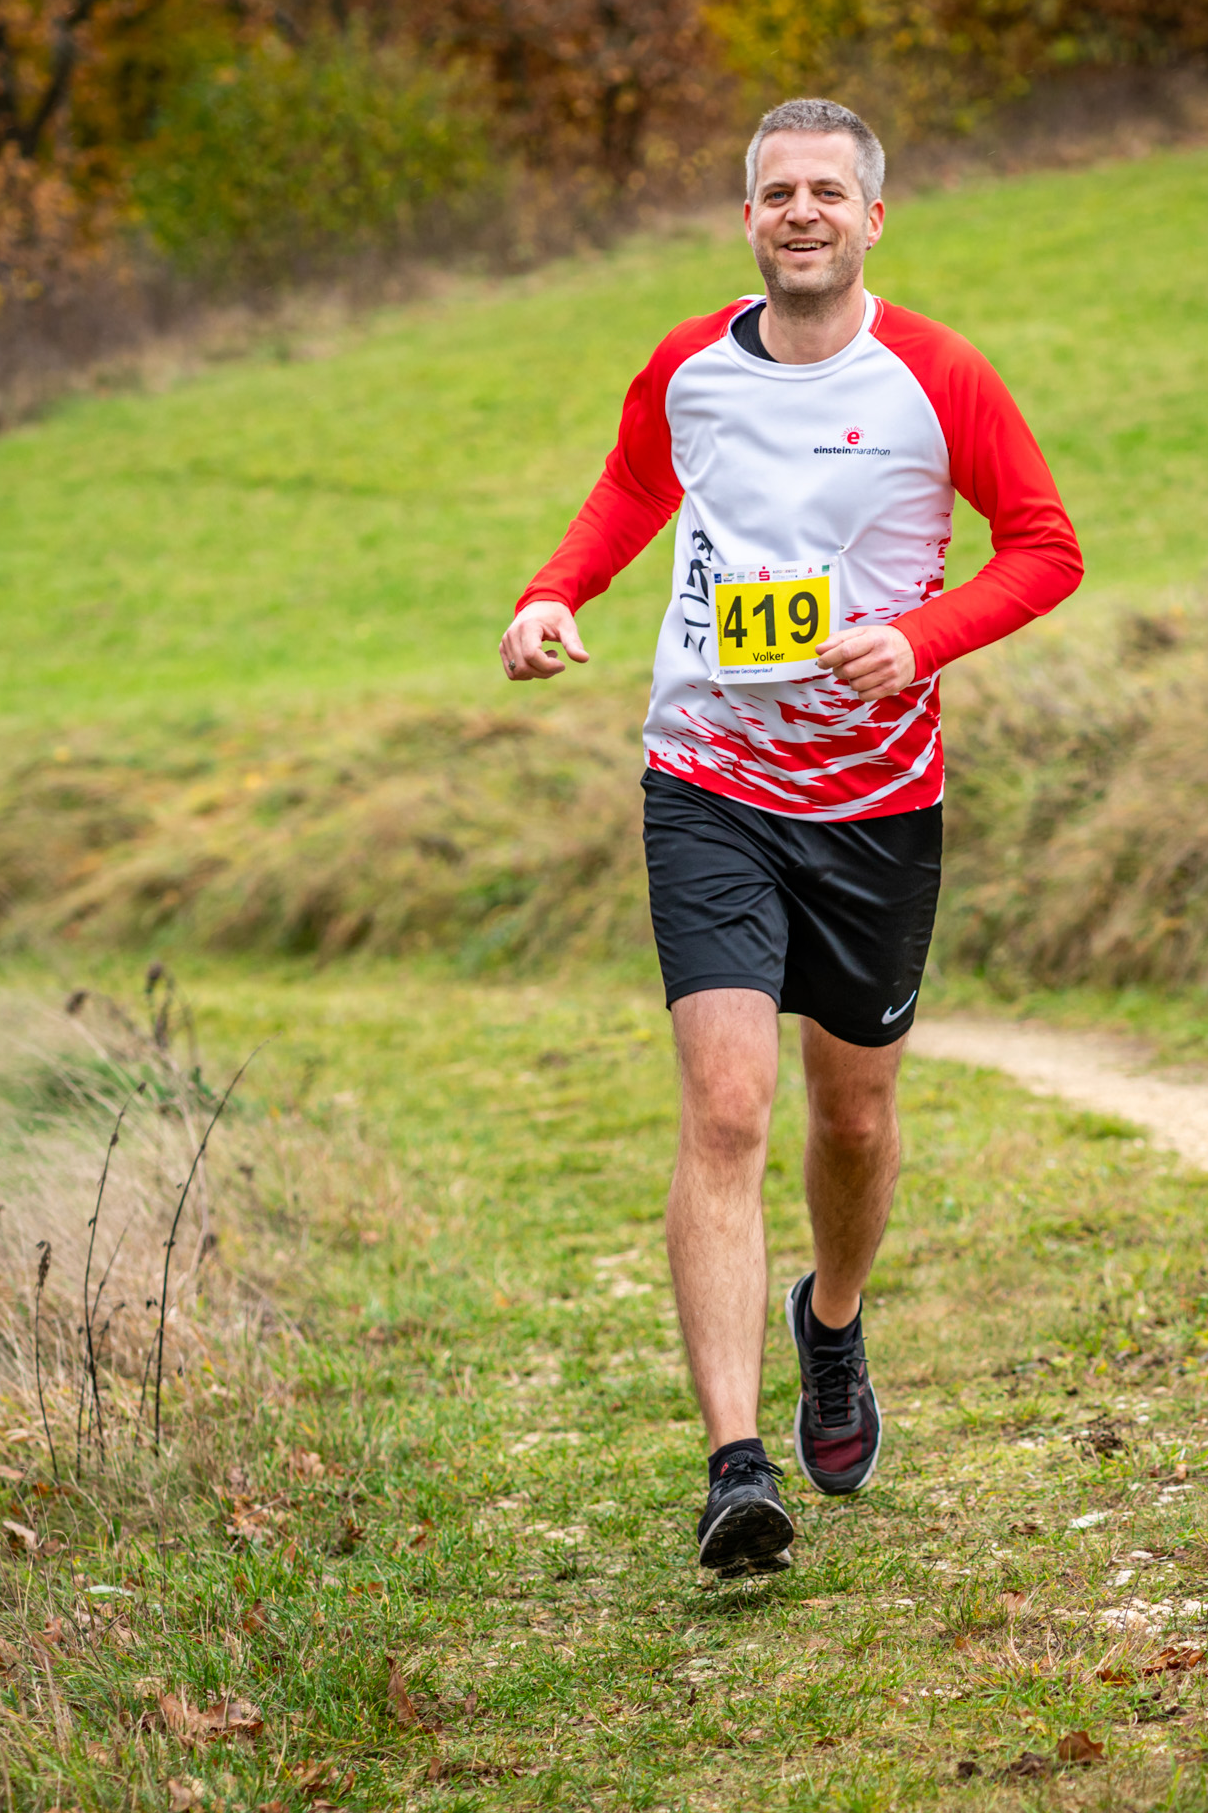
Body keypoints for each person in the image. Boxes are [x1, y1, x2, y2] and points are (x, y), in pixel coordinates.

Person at [498, 98, 1083, 1578]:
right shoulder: (687, 365)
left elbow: (1045, 548)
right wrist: (554, 590)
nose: (801, 212)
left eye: (828, 191)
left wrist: (920, 639)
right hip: (706, 779)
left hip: (875, 803)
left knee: (853, 1119)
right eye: (776, 193)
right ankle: (733, 1466)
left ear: (872, 218)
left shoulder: (938, 374)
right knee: (725, 1107)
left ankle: (830, 1320)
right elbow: (635, 485)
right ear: (748, 218)